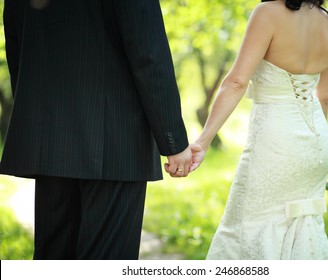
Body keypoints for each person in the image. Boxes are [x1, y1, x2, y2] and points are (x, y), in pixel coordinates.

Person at [1, 0, 192, 260]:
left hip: (49, 141)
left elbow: (16, 43)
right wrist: (174, 141)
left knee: (53, 260)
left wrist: (37, 121)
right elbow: (149, 53)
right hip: (116, 144)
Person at [190, 0, 328, 259]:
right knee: (304, 225)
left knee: (249, 225)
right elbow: (323, 96)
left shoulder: (267, 13)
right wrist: (311, 157)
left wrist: (203, 141)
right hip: (316, 147)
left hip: (275, 144)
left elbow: (237, 82)